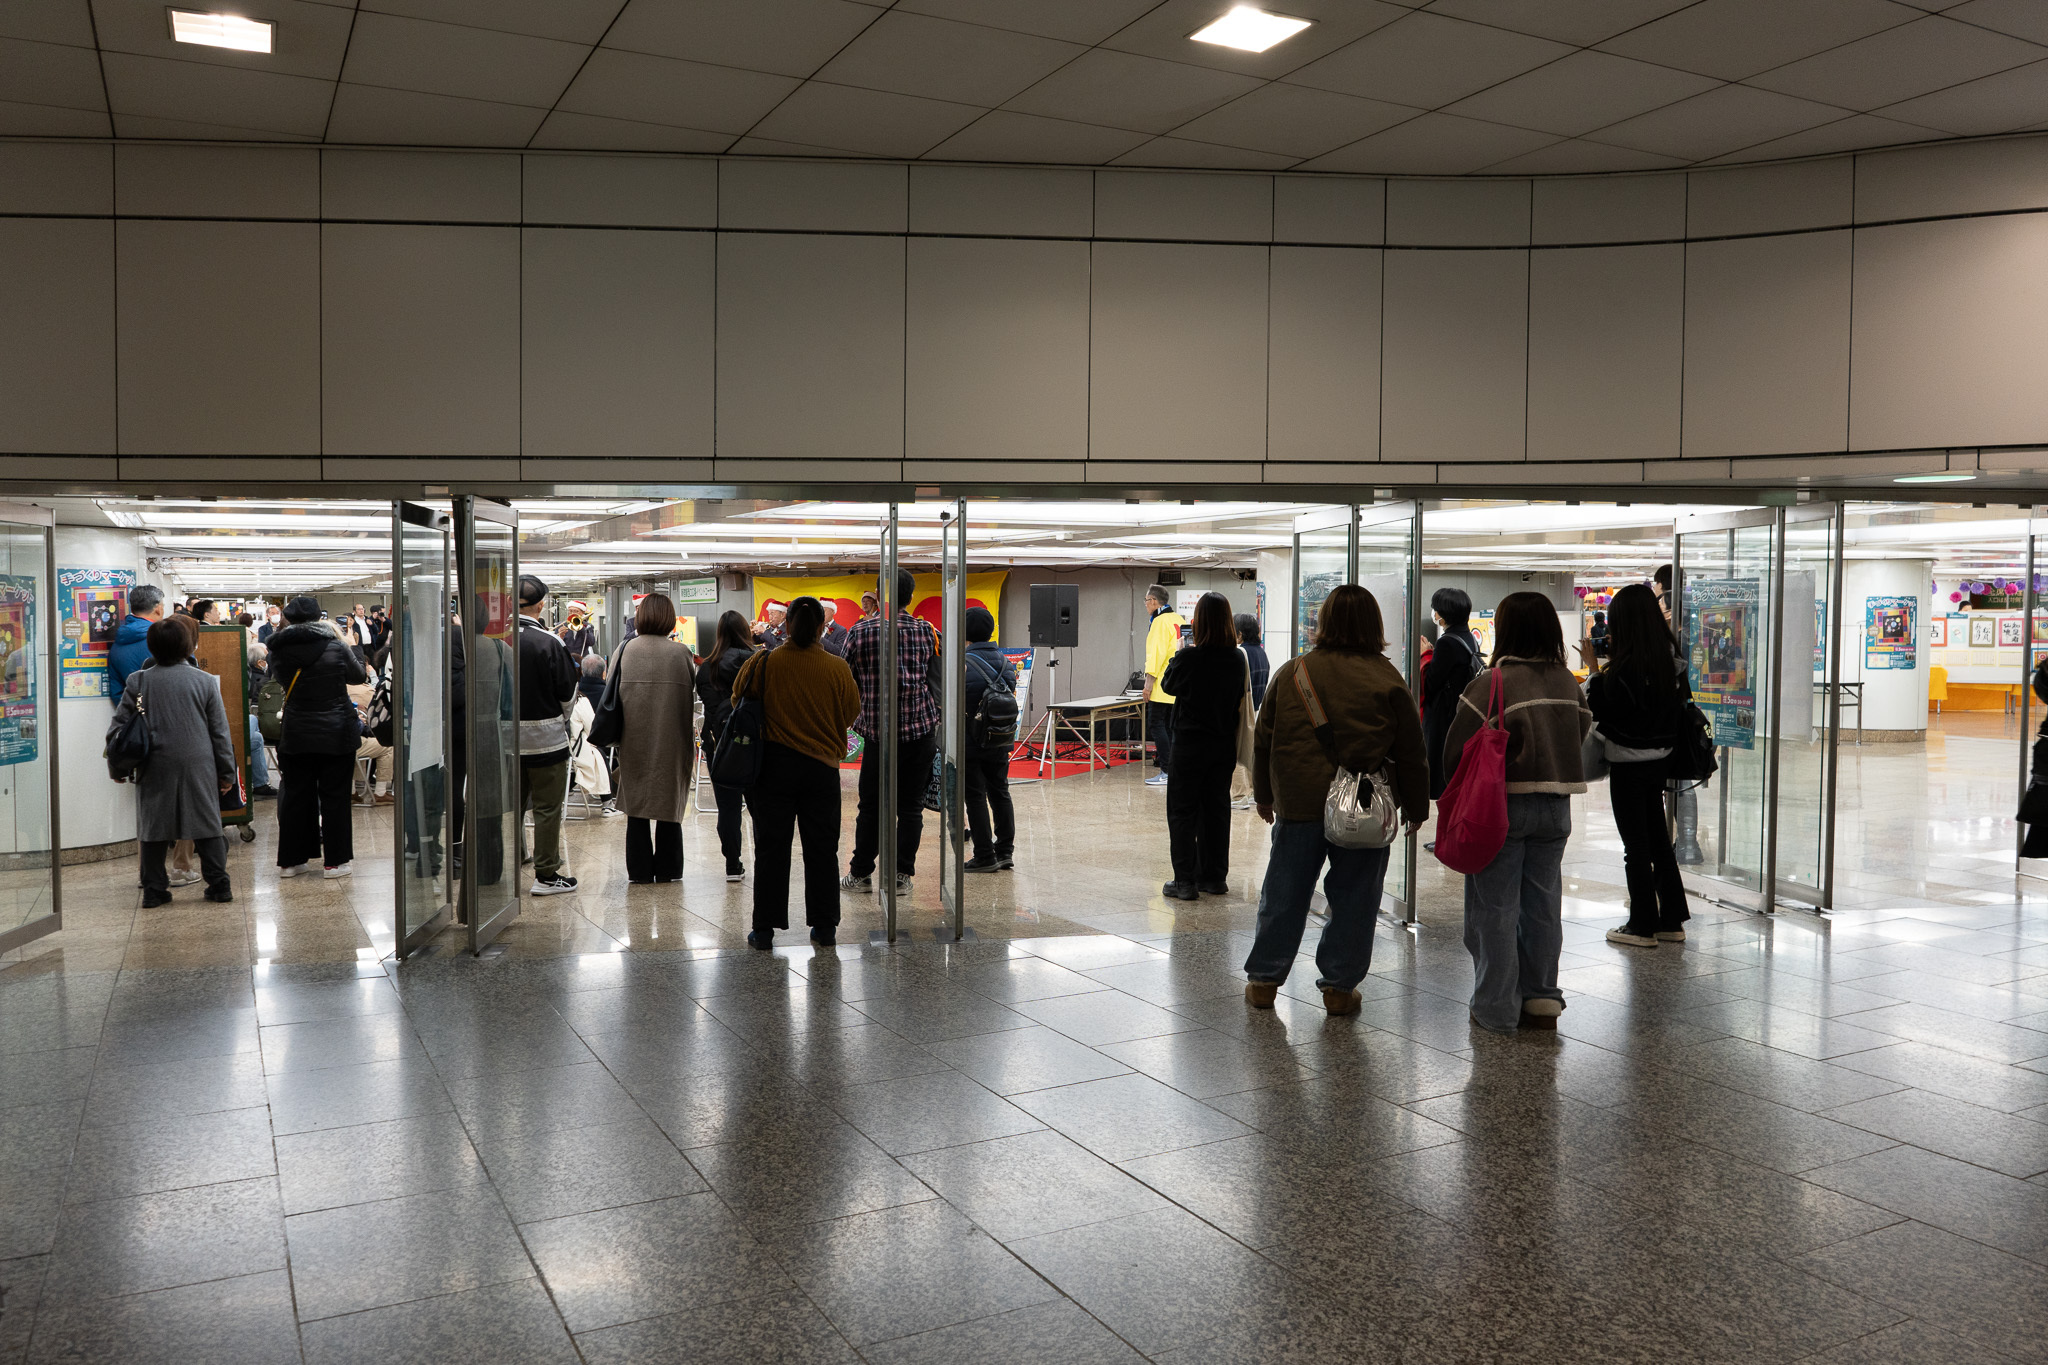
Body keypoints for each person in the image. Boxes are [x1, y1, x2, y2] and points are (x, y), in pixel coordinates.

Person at [1242, 584, 1428, 1015]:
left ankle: (1264, 981)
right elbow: (1411, 752)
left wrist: (1265, 797)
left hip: (1300, 802)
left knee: (1284, 893)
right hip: (1362, 809)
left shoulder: (1293, 672)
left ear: (1322, 621)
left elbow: (1264, 741)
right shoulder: (1387, 678)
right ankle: (1339, 989)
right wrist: (1417, 807)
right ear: (1375, 625)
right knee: (1356, 899)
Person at [1442, 592, 1593, 1034]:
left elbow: (1457, 747)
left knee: (1495, 908)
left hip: (1502, 807)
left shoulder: (1494, 682)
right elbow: (1581, 732)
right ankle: (1543, 997)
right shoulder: (1568, 682)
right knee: (1544, 904)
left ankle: (1496, 1006)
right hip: (1556, 808)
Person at [732, 597, 860, 948]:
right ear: (822, 627)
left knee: (771, 848)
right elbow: (851, 713)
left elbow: (737, 700)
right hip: (821, 771)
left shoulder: (764, 661)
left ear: (785, 626)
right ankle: (824, 927)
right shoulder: (837, 668)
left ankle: (764, 930)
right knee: (822, 849)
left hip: (772, 768)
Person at [1587, 583, 1694, 947]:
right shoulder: (1670, 661)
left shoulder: (1623, 669)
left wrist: (1592, 671)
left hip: (1629, 765)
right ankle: (1672, 919)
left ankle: (1642, 924)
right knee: (1659, 841)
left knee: (1636, 845)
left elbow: (1603, 711)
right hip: (1660, 761)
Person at [112, 619, 238, 908]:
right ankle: (219, 885)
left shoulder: (138, 680)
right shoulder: (203, 681)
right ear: (187, 645)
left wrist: (118, 767)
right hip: (198, 762)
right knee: (207, 824)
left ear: (152, 646)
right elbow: (219, 732)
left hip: (153, 762)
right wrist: (226, 772)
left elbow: (118, 728)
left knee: (154, 828)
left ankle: (155, 890)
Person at [841, 568, 940, 895]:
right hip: (919, 729)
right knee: (910, 807)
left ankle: (861, 874)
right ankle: (901, 876)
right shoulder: (927, 631)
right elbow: (934, 679)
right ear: (910, 598)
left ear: (881, 596)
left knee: (871, 806)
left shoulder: (860, 631)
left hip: (877, 734)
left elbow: (846, 678)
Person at [268, 595, 368, 879]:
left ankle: (291, 862)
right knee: (335, 796)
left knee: (296, 796)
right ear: (318, 618)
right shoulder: (336, 646)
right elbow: (359, 676)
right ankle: (335, 862)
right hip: (336, 732)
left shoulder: (278, 650)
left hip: (296, 731)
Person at [1157, 593, 1248, 900]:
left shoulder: (1189, 658)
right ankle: (1214, 877)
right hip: (1222, 745)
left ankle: (1184, 881)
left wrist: (1178, 653)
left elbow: (1168, 685)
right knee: (1217, 810)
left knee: (1182, 812)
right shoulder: (1237, 659)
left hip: (1189, 746)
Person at [606, 592, 696, 884]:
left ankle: (640, 870)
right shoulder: (681, 652)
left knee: (637, 807)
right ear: (670, 620)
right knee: (669, 806)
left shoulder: (625, 650)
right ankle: (669, 868)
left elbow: (611, 692)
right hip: (672, 740)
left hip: (632, 739)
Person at [515, 576, 580, 895]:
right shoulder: (550, 642)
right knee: (546, 807)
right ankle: (546, 874)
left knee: (509, 806)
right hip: (547, 742)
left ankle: (509, 861)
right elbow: (568, 694)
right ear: (541, 605)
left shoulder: (493, 639)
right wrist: (559, 720)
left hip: (503, 744)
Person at [695, 610, 758, 881]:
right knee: (761, 808)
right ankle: (765, 859)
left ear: (719, 633)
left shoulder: (707, 667)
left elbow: (709, 706)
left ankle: (733, 864)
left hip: (719, 744)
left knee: (728, 809)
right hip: (757, 745)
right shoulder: (757, 662)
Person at [962, 607, 1016, 872]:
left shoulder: (962, 662)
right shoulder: (1006, 663)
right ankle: (1005, 850)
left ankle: (984, 855)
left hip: (970, 741)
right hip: (999, 739)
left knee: (974, 796)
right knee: (1000, 791)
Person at [1419, 587, 1482, 802]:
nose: (1434, 613)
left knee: (1441, 776)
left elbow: (1431, 683)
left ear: (1443, 614)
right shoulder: (1469, 638)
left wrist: (1425, 654)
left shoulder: (1447, 642)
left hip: (1442, 718)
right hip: (1459, 714)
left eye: (1435, 609)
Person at [1141, 585, 1186, 789]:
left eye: (1146, 600)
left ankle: (1166, 770)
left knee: (1156, 724)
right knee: (1170, 726)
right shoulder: (1179, 619)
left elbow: (1155, 656)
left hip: (1161, 685)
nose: (1145, 605)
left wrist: (1148, 685)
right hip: (1178, 684)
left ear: (1153, 601)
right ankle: (1174, 769)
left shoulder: (1159, 622)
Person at [108, 584, 165, 695]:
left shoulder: (117, 644)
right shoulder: (166, 639)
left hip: (135, 709)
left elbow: (117, 690)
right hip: (165, 708)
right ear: (158, 609)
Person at [246, 642, 276, 798]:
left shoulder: (248, 678)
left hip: (262, 728)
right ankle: (260, 784)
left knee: (256, 738)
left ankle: (261, 784)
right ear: (260, 662)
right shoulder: (265, 682)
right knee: (252, 722)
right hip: (271, 727)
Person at [1235, 613, 1269, 710]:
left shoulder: (1241, 653)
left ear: (1240, 634)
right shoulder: (1262, 653)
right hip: (1255, 711)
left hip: (1242, 713)